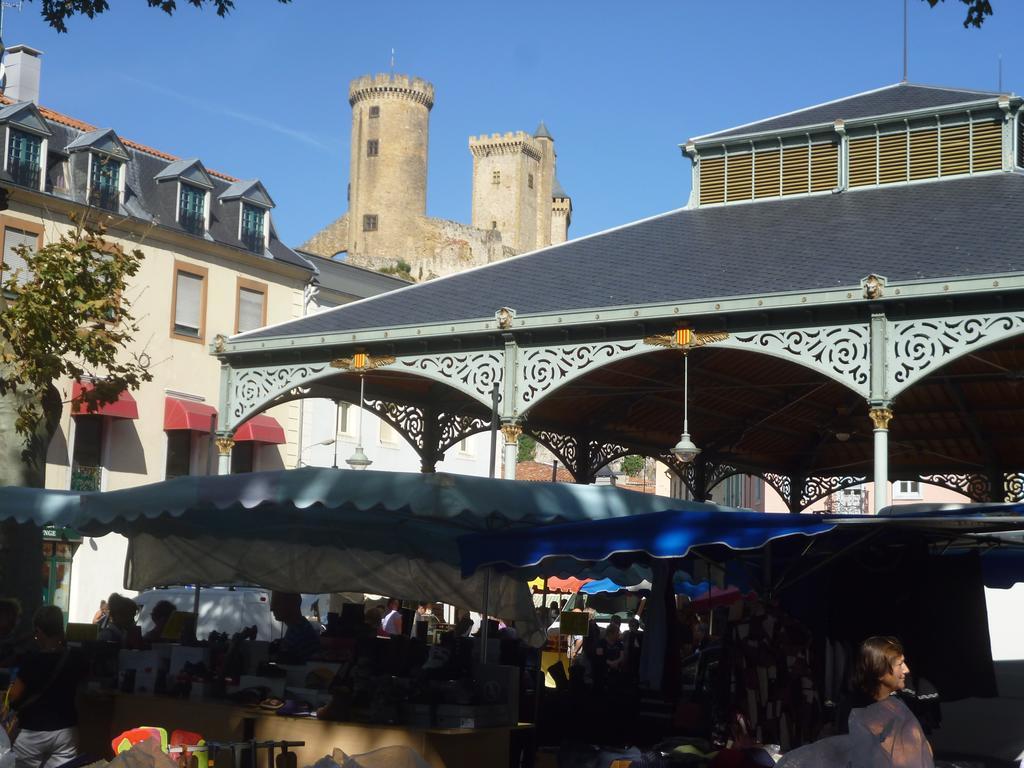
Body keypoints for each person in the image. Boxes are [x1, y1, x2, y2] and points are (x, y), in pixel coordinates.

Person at [777, 635, 934, 768]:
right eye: (900, 665)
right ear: (880, 671)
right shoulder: (858, 711)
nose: (906, 670)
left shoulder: (897, 704)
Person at [6, 605, 87, 768]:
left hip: (32, 732)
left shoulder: (32, 661)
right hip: (66, 731)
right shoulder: (76, 658)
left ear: (39, 631)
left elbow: (14, 696)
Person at [270, 591, 320, 663]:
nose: (272, 608)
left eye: (277, 602)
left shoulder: (299, 633)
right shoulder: (298, 628)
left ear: (293, 603)